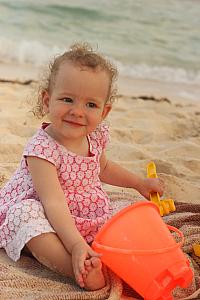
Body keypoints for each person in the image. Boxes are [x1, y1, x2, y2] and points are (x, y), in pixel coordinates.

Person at [0, 43, 164, 291]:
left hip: (82, 210)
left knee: (128, 212)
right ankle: (74, 267)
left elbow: (104, 168)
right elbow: (53, 202)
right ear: (47, 100)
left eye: (90, 105)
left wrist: (139, 183)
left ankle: (92, 252)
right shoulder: (41, 150)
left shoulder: (95, 136)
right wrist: (76, 245)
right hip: (45, 210)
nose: (77, 112)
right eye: (67, 99)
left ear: (104, 111)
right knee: (25, 218)